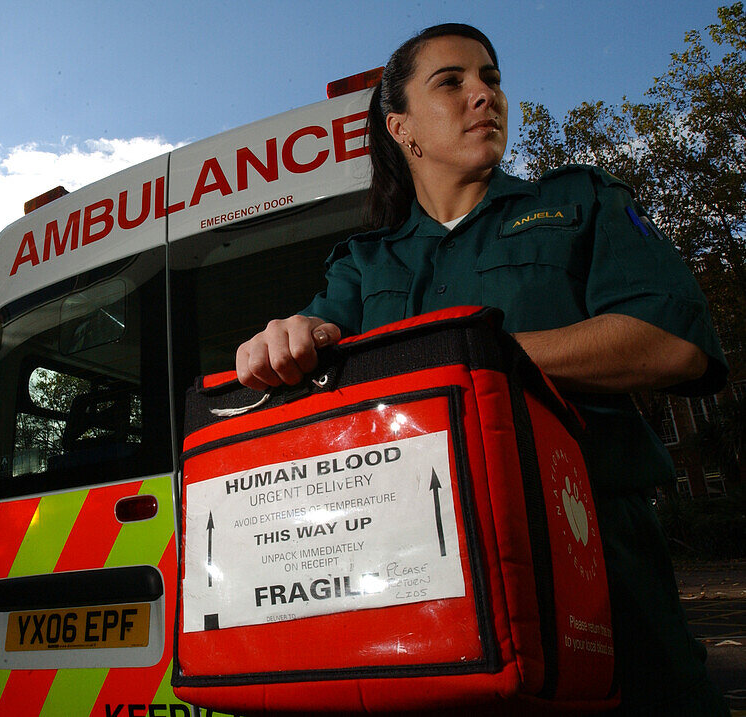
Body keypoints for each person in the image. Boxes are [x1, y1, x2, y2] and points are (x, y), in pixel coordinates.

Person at [235, 23, 730, 716]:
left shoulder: (580, 201)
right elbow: (317, 358)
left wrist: (479, 360)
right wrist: (286, 340)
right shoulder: (363, 262)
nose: (484, 95)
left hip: (595, 566)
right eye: (453, 81)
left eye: (491, 78)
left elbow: (669, 343)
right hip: (420, 579)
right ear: (400, 125)